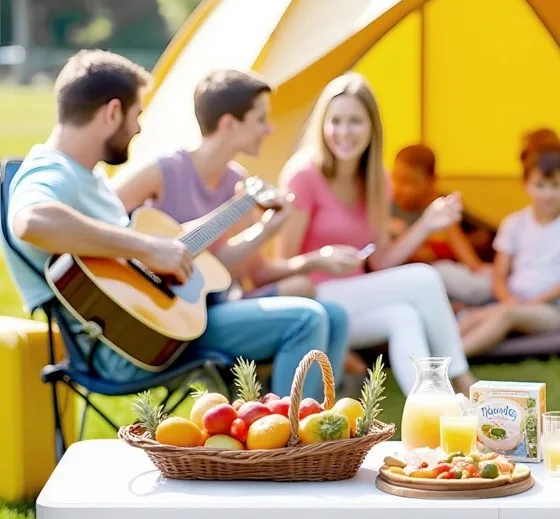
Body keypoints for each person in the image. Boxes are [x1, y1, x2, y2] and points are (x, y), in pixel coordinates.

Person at [4, 49, 343, 398]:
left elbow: (150, 256)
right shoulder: (52, 171)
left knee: (330, 313)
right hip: (126, 343)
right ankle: (289, 444)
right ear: (112, 112)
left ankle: (307, 434)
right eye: (136, 115)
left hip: (156, 322)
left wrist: (236, 220)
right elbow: (31, 220)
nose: (138, 128)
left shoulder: (88, 177)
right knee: (306, 319)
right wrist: (147, 247)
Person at [112, 68, 350, 384]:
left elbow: (252, 273)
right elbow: (100, 216)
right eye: (261, 119)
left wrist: (271, 232)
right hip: (173, 317)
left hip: (220, 306)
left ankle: (314, 422)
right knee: (308, 318)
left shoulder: (239, 184)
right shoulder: (164, 170)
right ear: (229, 123)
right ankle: (284, 427)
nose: (269, 128)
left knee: (336, 315)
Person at [275, 72, 475, 395]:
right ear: (322, 125)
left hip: (357, 301)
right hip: (315, 300)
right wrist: (321, 259)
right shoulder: (303, 176)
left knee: (404, 317)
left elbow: (382, 261)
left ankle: (432, 409)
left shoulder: (378, 179)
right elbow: (283, 265)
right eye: (335, 121)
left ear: (372, 128)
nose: (343, 132)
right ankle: (465, 382)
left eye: (355, 121)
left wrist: (426, 223)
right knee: (424, 278)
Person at [459, 130, 560, 358]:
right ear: (526, 184)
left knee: (504, 316)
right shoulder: (513, 223)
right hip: (515, 302)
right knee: (471, 317)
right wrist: (509, 300)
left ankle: (452, 362)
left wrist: (531, 303)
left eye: (555, 186)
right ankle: (428, 359)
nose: (548, 194)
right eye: (540, 186)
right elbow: (499, 276)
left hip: (556, 309)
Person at [389, 143, 494, 305]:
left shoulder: (439, 206)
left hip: (439, 275)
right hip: (403, 278)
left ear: (432, 181)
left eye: (409, 182)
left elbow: (468, 258)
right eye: (396, 179)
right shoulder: (386, 204)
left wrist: (481, 269)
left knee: (463, 278)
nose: (400, 188)